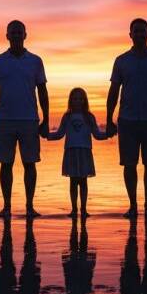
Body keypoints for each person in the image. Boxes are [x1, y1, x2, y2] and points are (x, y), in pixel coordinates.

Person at [105, 18, 147, 219]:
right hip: (127, 121)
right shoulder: (121, 61)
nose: (140, 34)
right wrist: (109, 119)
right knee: (129, 164)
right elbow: (113, 91)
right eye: (136, 31)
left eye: (143, 31)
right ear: (130, 35)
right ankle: (133, 205)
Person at [0, 20, 49, 219]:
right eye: (13, 33)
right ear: (7, 36)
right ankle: (7, 206)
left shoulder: (35, 61)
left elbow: (42, 91)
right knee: (5, 164)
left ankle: (29, 206)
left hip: (29, 119)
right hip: (4, 119)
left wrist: (45, 119)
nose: (17, 36)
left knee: (30, 163)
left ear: (25, 35)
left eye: (20, 32)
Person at [46, 88, 107, 219]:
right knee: (73, 182)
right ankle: (74, 209)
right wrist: (47, 135)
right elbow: (60, 134)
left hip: (84, 151)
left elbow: (97, 134)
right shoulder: (67, 117)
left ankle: (84, 209)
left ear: (84, 101)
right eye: (74, 99)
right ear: (70, 101)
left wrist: (108, 134)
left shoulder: (89, 117)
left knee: (83, 182)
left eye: (80, 99)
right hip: (71, 151)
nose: (77, 101)